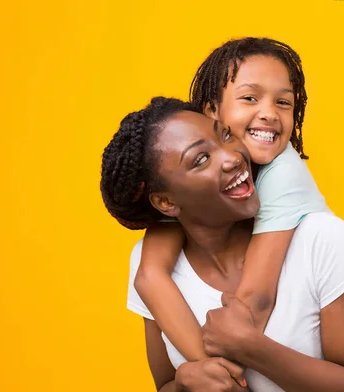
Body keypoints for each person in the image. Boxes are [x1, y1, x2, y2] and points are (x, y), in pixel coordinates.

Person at [100, 97, 344, 392]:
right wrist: (185, 383)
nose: (232, 157)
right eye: (200, 159)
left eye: (224, 134)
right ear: (167, 203)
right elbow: (166, 388)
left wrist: (253, 348)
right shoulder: (152, 266)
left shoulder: (320, 238)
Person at [135, 38, 328, 362]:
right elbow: (150, 275)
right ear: (212, 109)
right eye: (250, 98)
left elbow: (256, 299)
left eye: (284, 102)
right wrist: (198, 373)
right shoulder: (190, 178)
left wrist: (221, 379)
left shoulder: (283, 175)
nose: (269, 113)